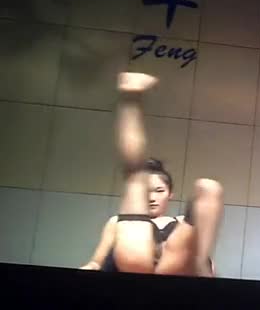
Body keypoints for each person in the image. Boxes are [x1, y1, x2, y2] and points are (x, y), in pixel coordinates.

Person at [80, 72, 223, 277]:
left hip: (173, 264)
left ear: (170, 194)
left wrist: (205, 267)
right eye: (147, 192)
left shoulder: (180, 223)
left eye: (159, 190)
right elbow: (96, 261)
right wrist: (90, 268)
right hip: (136, 256)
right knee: (135, 176)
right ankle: (131, 97)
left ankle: (131, 98)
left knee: (209, 189)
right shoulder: (116, 223)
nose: (152, 197)